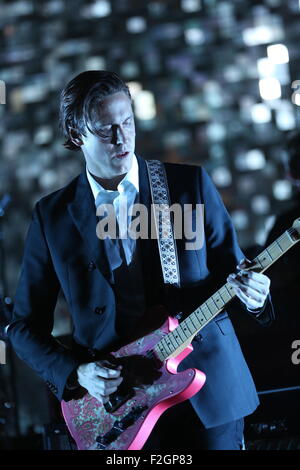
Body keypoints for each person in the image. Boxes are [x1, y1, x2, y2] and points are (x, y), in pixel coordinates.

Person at [6, 70, 274, 451]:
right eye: (105, 129)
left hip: (207, 393)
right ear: (75, 134)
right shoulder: (52, 216)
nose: (122, 139)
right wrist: (78, 373)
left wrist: (256, 296)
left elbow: (237, 271)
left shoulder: (188, 187)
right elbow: (22, 327)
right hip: (121, 411)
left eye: (127, 122)